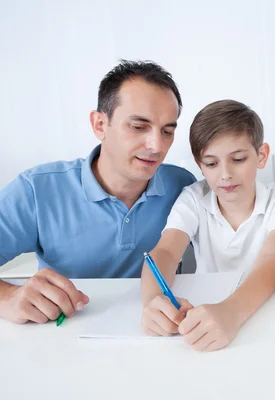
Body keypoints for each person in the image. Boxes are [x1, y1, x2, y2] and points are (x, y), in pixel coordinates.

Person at [0, 60, 196, 324]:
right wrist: (8, 298)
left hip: (157, 335)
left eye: (167, 131)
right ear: (100, 125)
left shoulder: (182, 184)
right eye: (138, 126)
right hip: (61, 336)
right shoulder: (36, 190)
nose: (156, 146)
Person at [141, 100, 275, 351]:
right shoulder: (193, 198)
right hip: (207, 314)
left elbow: (273, 259)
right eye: (212, 164)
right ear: (199, 164)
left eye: (238, 159)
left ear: (261, 156)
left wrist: (231, 311)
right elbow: (166, 251)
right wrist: (153, 300)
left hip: (271, 315)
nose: (225, 174)